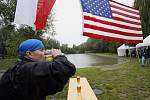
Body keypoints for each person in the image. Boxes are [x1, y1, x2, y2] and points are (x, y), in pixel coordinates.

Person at [0, 39, 76, 100]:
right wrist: (59, 56)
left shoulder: (16, 68)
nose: (45, 53)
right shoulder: (26, 69)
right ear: (29, 54)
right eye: (41, 50)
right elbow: (66, 68)